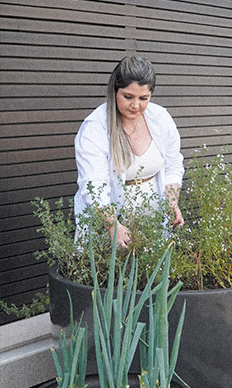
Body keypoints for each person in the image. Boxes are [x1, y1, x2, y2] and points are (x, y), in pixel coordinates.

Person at [74, 55, 184, 247]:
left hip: (153, 223)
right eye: (128, 97)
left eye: (144, 98)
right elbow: (94, 185)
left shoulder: (160, 118)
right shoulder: (95, 128)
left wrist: (171, 202)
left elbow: (173, 164)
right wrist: (112, 226)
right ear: (114, 91)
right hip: (109, 223)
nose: (135, 105)